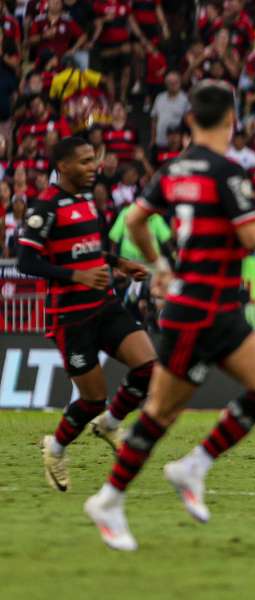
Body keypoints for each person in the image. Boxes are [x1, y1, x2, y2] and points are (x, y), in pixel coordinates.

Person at [83, 81, 255, 551]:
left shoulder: (173, 169)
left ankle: (193, 466)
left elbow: (135, 221)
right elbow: (252, 238)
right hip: (195, 310)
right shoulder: (227, 172)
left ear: (190, 120)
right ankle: (109, 499)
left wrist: (162, 263)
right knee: (161, 413)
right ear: (233, 122)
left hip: (219, 308)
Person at [16, 137, 156, 492]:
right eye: (85, 161)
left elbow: (91, 249)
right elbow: (26, 261)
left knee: (149, 367)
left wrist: (118, 262)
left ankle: (110, 424)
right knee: (92, 399)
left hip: (104, 305)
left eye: (94, 160)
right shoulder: (45, 207)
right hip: (70, 317)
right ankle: (56, 448)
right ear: (62, 167)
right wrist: (74, 275)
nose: (94, 167)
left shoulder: (86, 202)